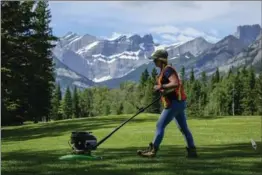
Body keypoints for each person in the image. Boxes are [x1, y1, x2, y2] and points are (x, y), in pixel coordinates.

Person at [137, 49, 198, 158]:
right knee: (183, 129)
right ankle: (192, 152)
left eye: (155, 60)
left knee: (160, 125)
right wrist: (163, 91)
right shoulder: (165, 70)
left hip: (174, 104)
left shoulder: (167, 70)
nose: (154, 62)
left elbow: (175, 83)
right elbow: (174, 86)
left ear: (161, 60)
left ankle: (153, 151)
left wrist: (161, 87)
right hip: (179, 103)